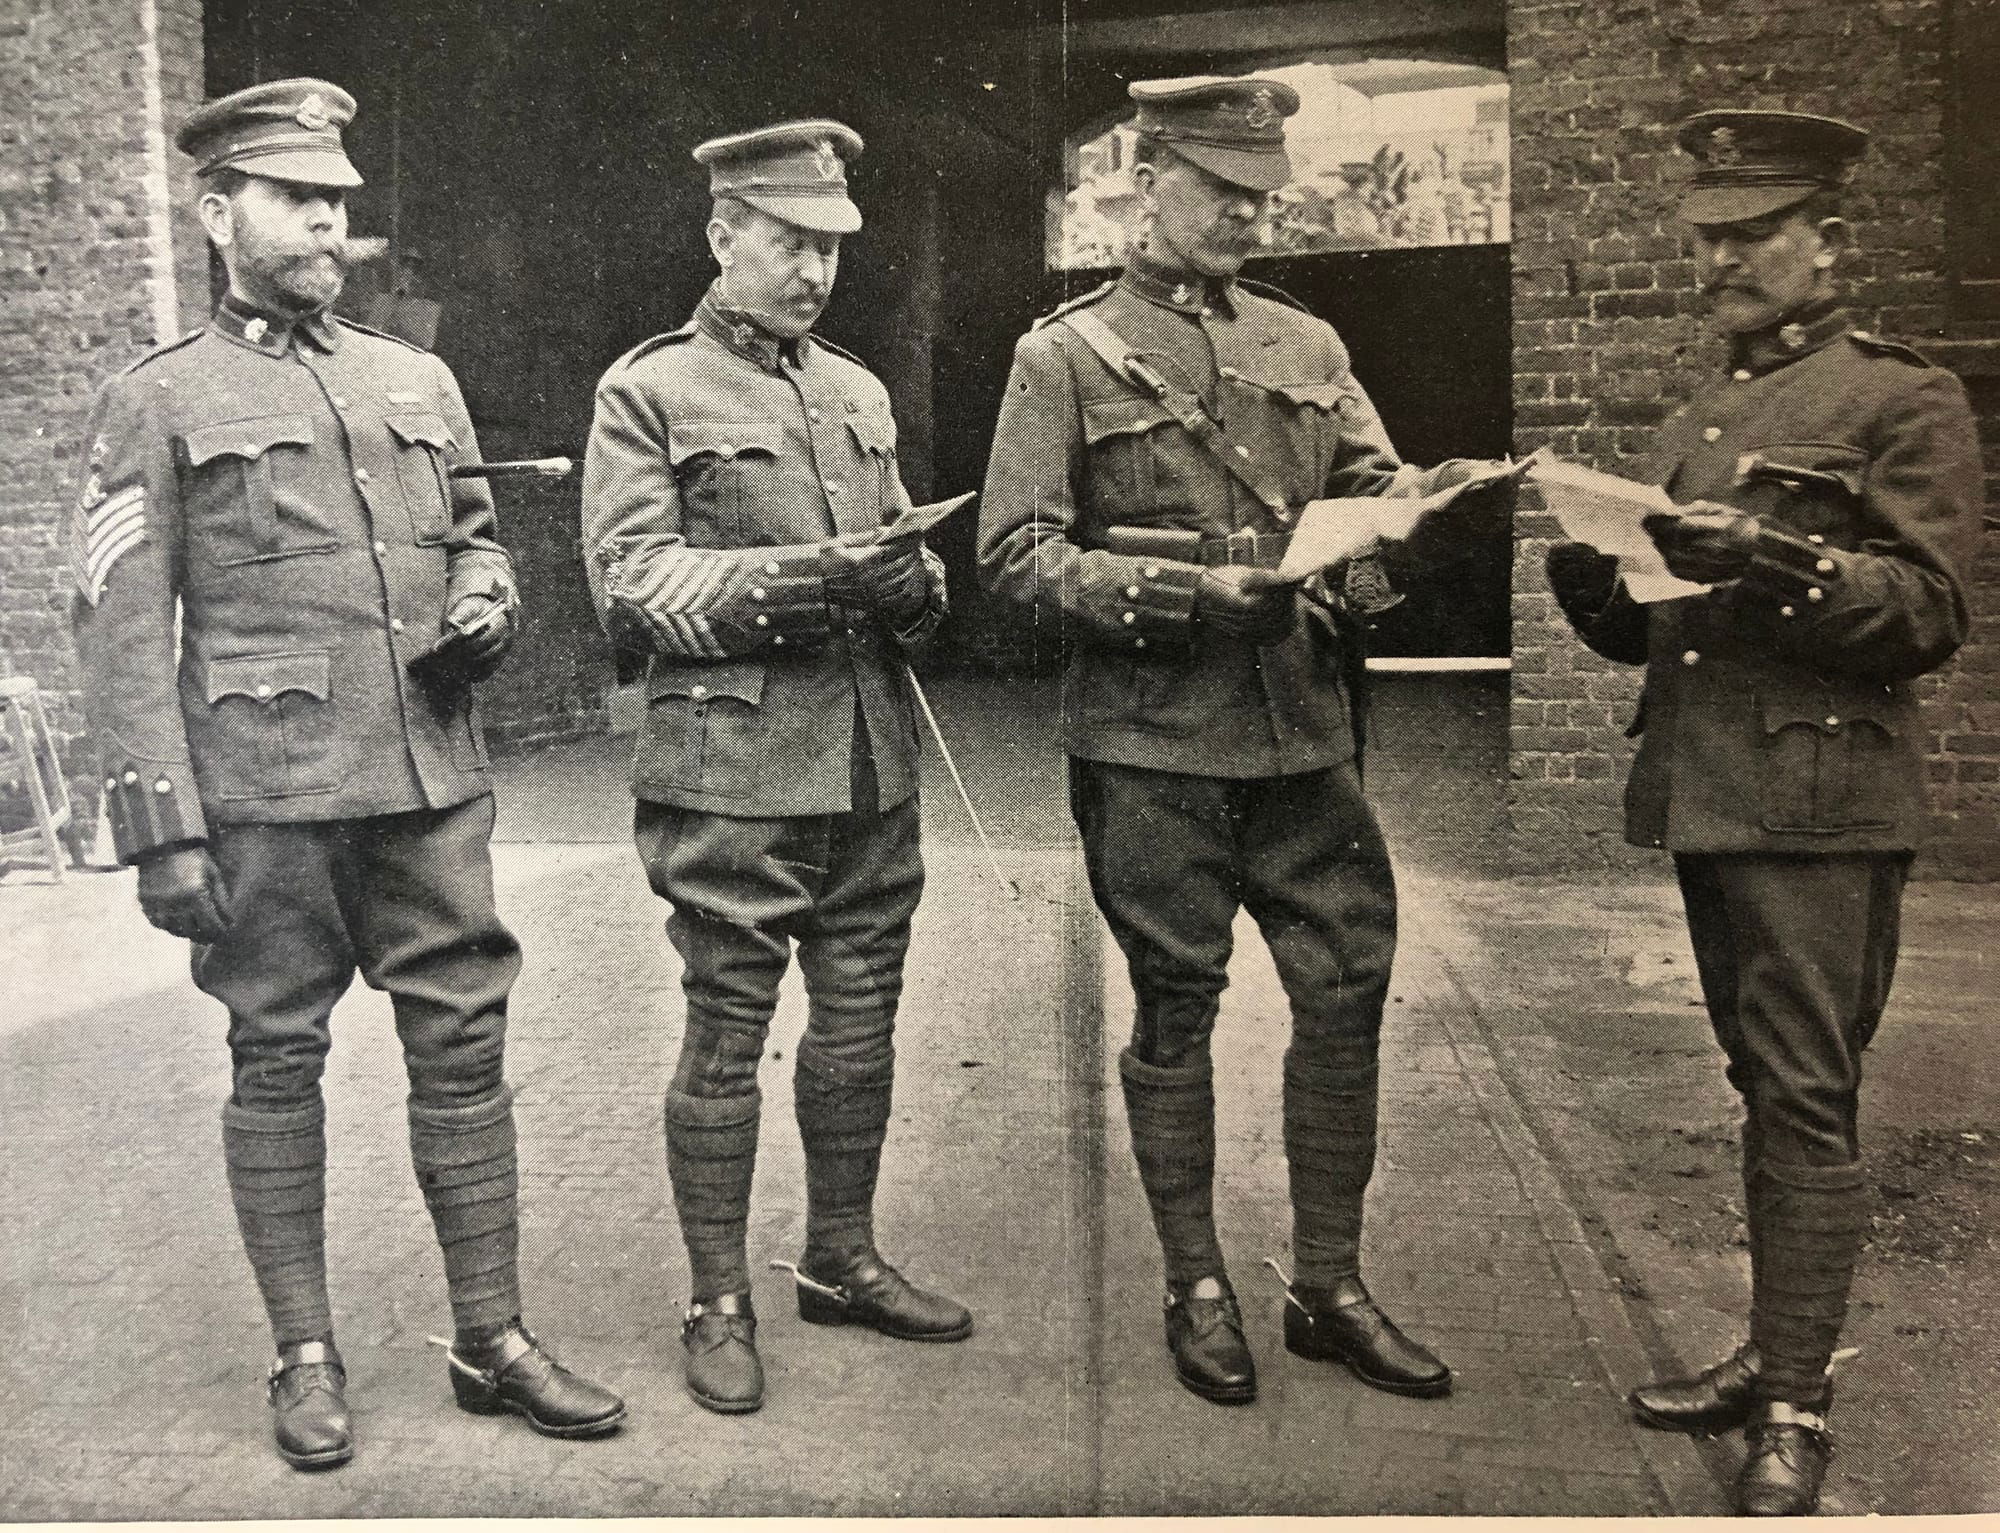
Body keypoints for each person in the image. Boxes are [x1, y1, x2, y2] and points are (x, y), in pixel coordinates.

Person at [67, 78, 624, 1471]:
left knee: (465, 1047)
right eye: (297, 198)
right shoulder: (161, 398)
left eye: (338, 203)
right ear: (216, 214)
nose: (330, 224)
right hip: (265, 802)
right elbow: (122, 619)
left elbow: (475, 530)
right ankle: (303, 1351)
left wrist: (487, 596)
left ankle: (492, 1336)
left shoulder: (411, 378)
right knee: (276, 1054)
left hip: (428, 783)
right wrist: (160, 831)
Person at [977, 75, 1513, 1408]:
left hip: (1301, 738)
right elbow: (1015, 552)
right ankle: (1196, 1279)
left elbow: (1367, 494)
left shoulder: (1311, 345)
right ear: (1141, 184)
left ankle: (1327, 1282)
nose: (1241, 219)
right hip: (1153, 744)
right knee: (1177, 1002)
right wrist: (1167, 594)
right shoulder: (1066, 355)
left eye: (1257, 198)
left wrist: (1424, 513)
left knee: (1347, 983)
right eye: (1216, 192)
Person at [1544, 109, 1982, 1515]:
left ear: (1829, 241)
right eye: (1710, 236)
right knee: (1763, 1079)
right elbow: (1672, 629)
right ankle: (1772, 1351)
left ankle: (1796, 1404)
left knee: (1807, 1093)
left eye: (1750, 234)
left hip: (1820, 806)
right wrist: (1600, 580)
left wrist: (1777, 552)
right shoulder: (1703, 415)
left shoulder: (1903, 400)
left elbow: (1926, 612)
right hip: (1711, 795)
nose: (1719, 260)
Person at [580, 119, 968, 1417]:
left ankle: (842, 1258)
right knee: (726, 1036)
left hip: (868, 770)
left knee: (859, 1029)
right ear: (723, 235)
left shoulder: (856, 392)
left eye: (831, 247)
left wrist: (918, 581)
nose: (813, 269)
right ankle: (718, 1297)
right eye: (790, 240)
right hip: (732, 768)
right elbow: (630, 585)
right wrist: (806, 582)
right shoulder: (650, 389)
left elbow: (916, 581)